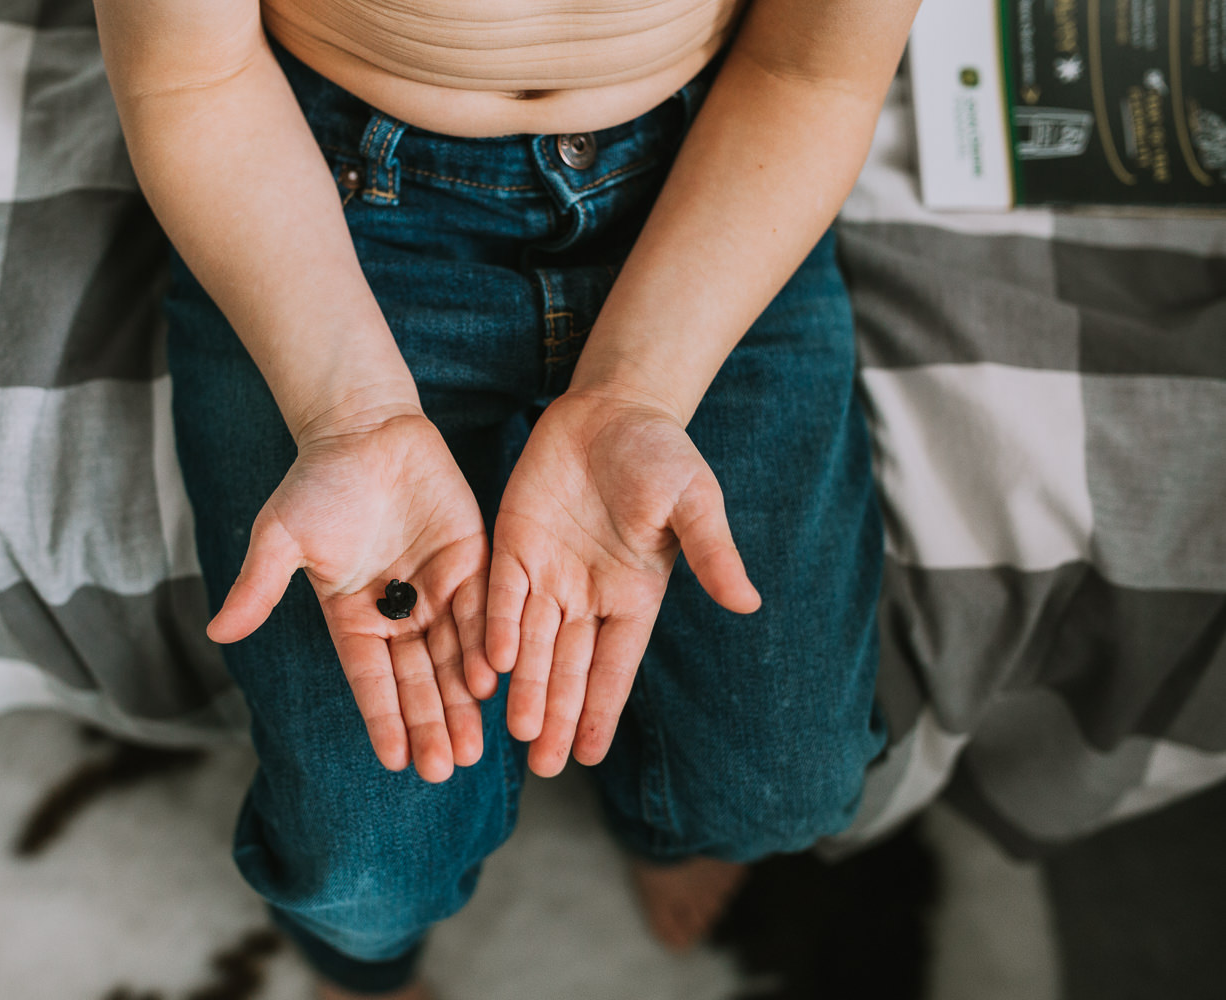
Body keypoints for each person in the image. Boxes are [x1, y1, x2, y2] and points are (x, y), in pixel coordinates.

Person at [94, 0, 918, 995]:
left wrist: (639, 390)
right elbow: (189, 79)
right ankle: (364, 971)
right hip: (318, 200)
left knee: (782, 788)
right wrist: (346, 415)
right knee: (365, 866)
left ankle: (664, 821)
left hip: (715, 183)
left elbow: (811, 73)